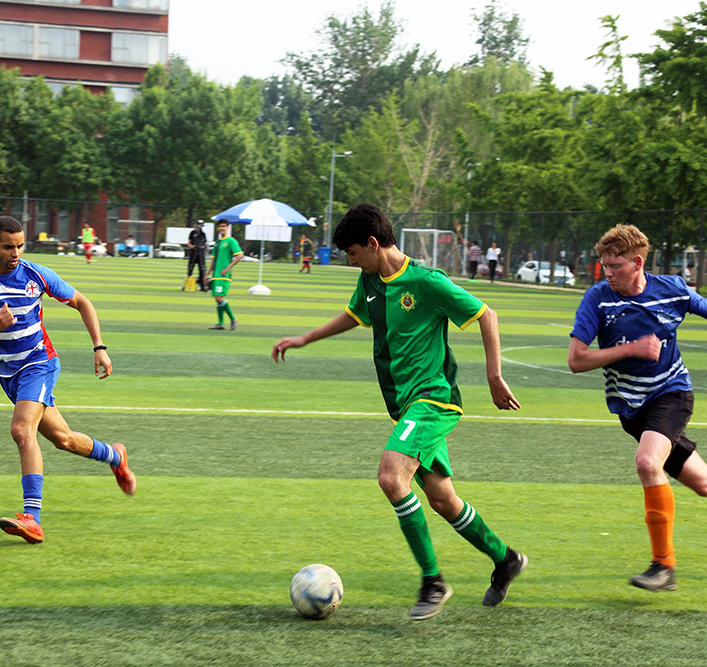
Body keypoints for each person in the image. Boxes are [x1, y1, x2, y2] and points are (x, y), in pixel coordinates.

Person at [271, 202, 527, 620]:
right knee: (444, 501)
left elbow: (487, 315)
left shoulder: (426, 282)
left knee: (391, 475)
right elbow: (354, 316)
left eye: (353, 254)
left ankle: (433, 581)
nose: (352, 262)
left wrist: (494, 377)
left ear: (373, 244)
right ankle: (506, 558)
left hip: (433, 398)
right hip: (403, 406)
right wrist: (304, 338)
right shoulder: (370, 280)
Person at [567, 224, 707, 592]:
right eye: (604, 264)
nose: (608, 272)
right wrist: (630, 349)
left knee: (646, 462)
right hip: (631, 409)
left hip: (671, 394)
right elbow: (577, 360)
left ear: (637, 262)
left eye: (616, 265)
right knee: (706, 483)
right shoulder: (598, 299)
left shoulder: (671, 289)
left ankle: (663, 566)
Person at [0, 215, 136, 544]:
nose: (16, 252)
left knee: (21, 430)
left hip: (40, 363)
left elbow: (82, 302)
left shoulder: (35, 274)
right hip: (8, 373)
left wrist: (99, 347)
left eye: (20, 245)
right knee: (62, 439)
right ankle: (114, 455)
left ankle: (32, 518)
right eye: (8, 247)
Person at [205, 218, 242, 331]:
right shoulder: (218, 242)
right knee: (217, 298)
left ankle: (233, 319)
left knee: (219, 298)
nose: (221, 228)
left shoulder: (231, 241)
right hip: (216, 275)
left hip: (223, 275)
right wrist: (207, 274)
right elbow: (213, 260)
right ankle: (220, 323)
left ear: (228, 228)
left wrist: (228, 268)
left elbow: (240, 256)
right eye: (220, 226)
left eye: (224, 226)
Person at [187, 219, 208, 290]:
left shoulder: (203, 234)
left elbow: (205, 243)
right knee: (190, 267)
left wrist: (204, 247)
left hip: (201, 253)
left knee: (202, 269)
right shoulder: (192, 232)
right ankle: (188, 285)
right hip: (193, 252)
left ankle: (202, 286)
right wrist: (192, 246)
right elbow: (189, 243)